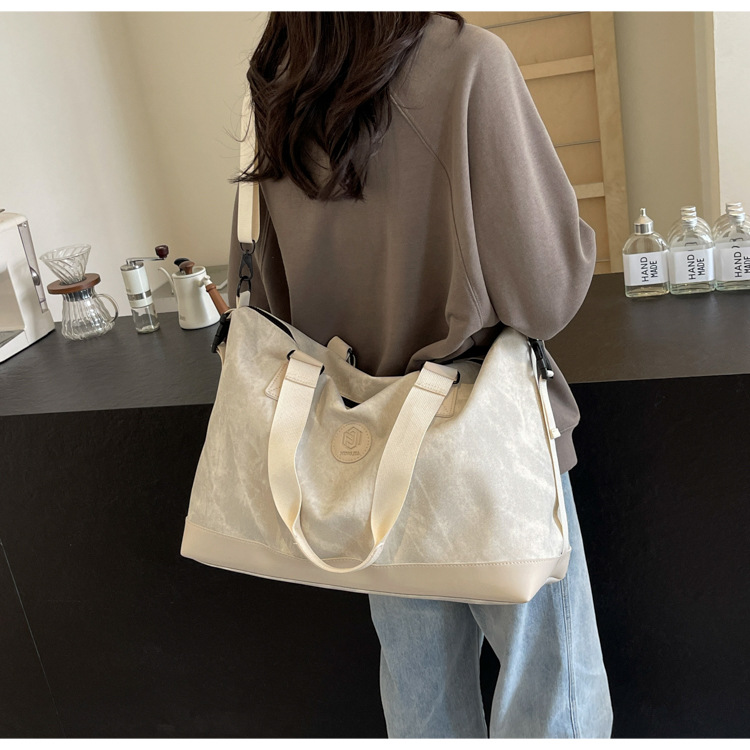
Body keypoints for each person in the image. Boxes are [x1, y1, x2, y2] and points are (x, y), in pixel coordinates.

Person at [227, 11, 613, 739]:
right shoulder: (468, 64)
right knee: (553, 696)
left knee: (421, 698)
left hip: (358, 454)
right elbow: (546, 294)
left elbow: (269, 305)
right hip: (486, 442)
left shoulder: (275, 86)